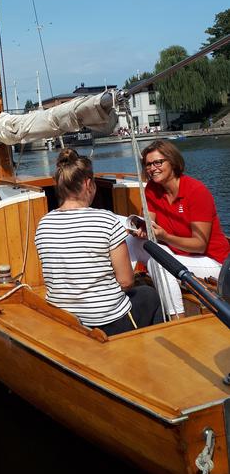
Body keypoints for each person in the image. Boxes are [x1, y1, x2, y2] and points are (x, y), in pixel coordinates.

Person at [35, 148, 163, 336]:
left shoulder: (43, 223)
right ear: (88, 184)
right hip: (106, 321)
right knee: (148, 294)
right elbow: (126, 281)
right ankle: (144, 350)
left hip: (64, 317)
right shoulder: (106, 220)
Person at [126, 139, 229, 316]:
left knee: (159, 263)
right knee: (129, 242)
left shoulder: (195, 191)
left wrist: (164, 236)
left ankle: (176, 319)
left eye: (158, 162)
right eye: (148, 164)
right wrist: (142, 227)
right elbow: (149, 220)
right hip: (178, 254)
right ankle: (122, 292)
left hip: (212, 261)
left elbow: (200, 245)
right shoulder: (152, 188)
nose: (152, 168)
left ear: (172, 162)